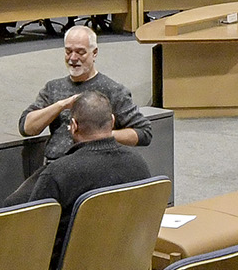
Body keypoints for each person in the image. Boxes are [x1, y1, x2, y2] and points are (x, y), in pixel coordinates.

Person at [28, 91, 154, 270]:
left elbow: (32, 235)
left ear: (73, 125)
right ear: (111, 122)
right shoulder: (139, 164)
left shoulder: (57, 173)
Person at [16, 27, 151, 179]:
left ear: (94, 53)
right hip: (55, 168)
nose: (73, 58)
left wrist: (102, 134)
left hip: (96, 170)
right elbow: (26, 127)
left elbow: (144, 133)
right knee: (15, 202)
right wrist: (60, 106)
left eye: (80, 52)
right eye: (68, 52)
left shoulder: (113, 90)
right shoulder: (53, 88)